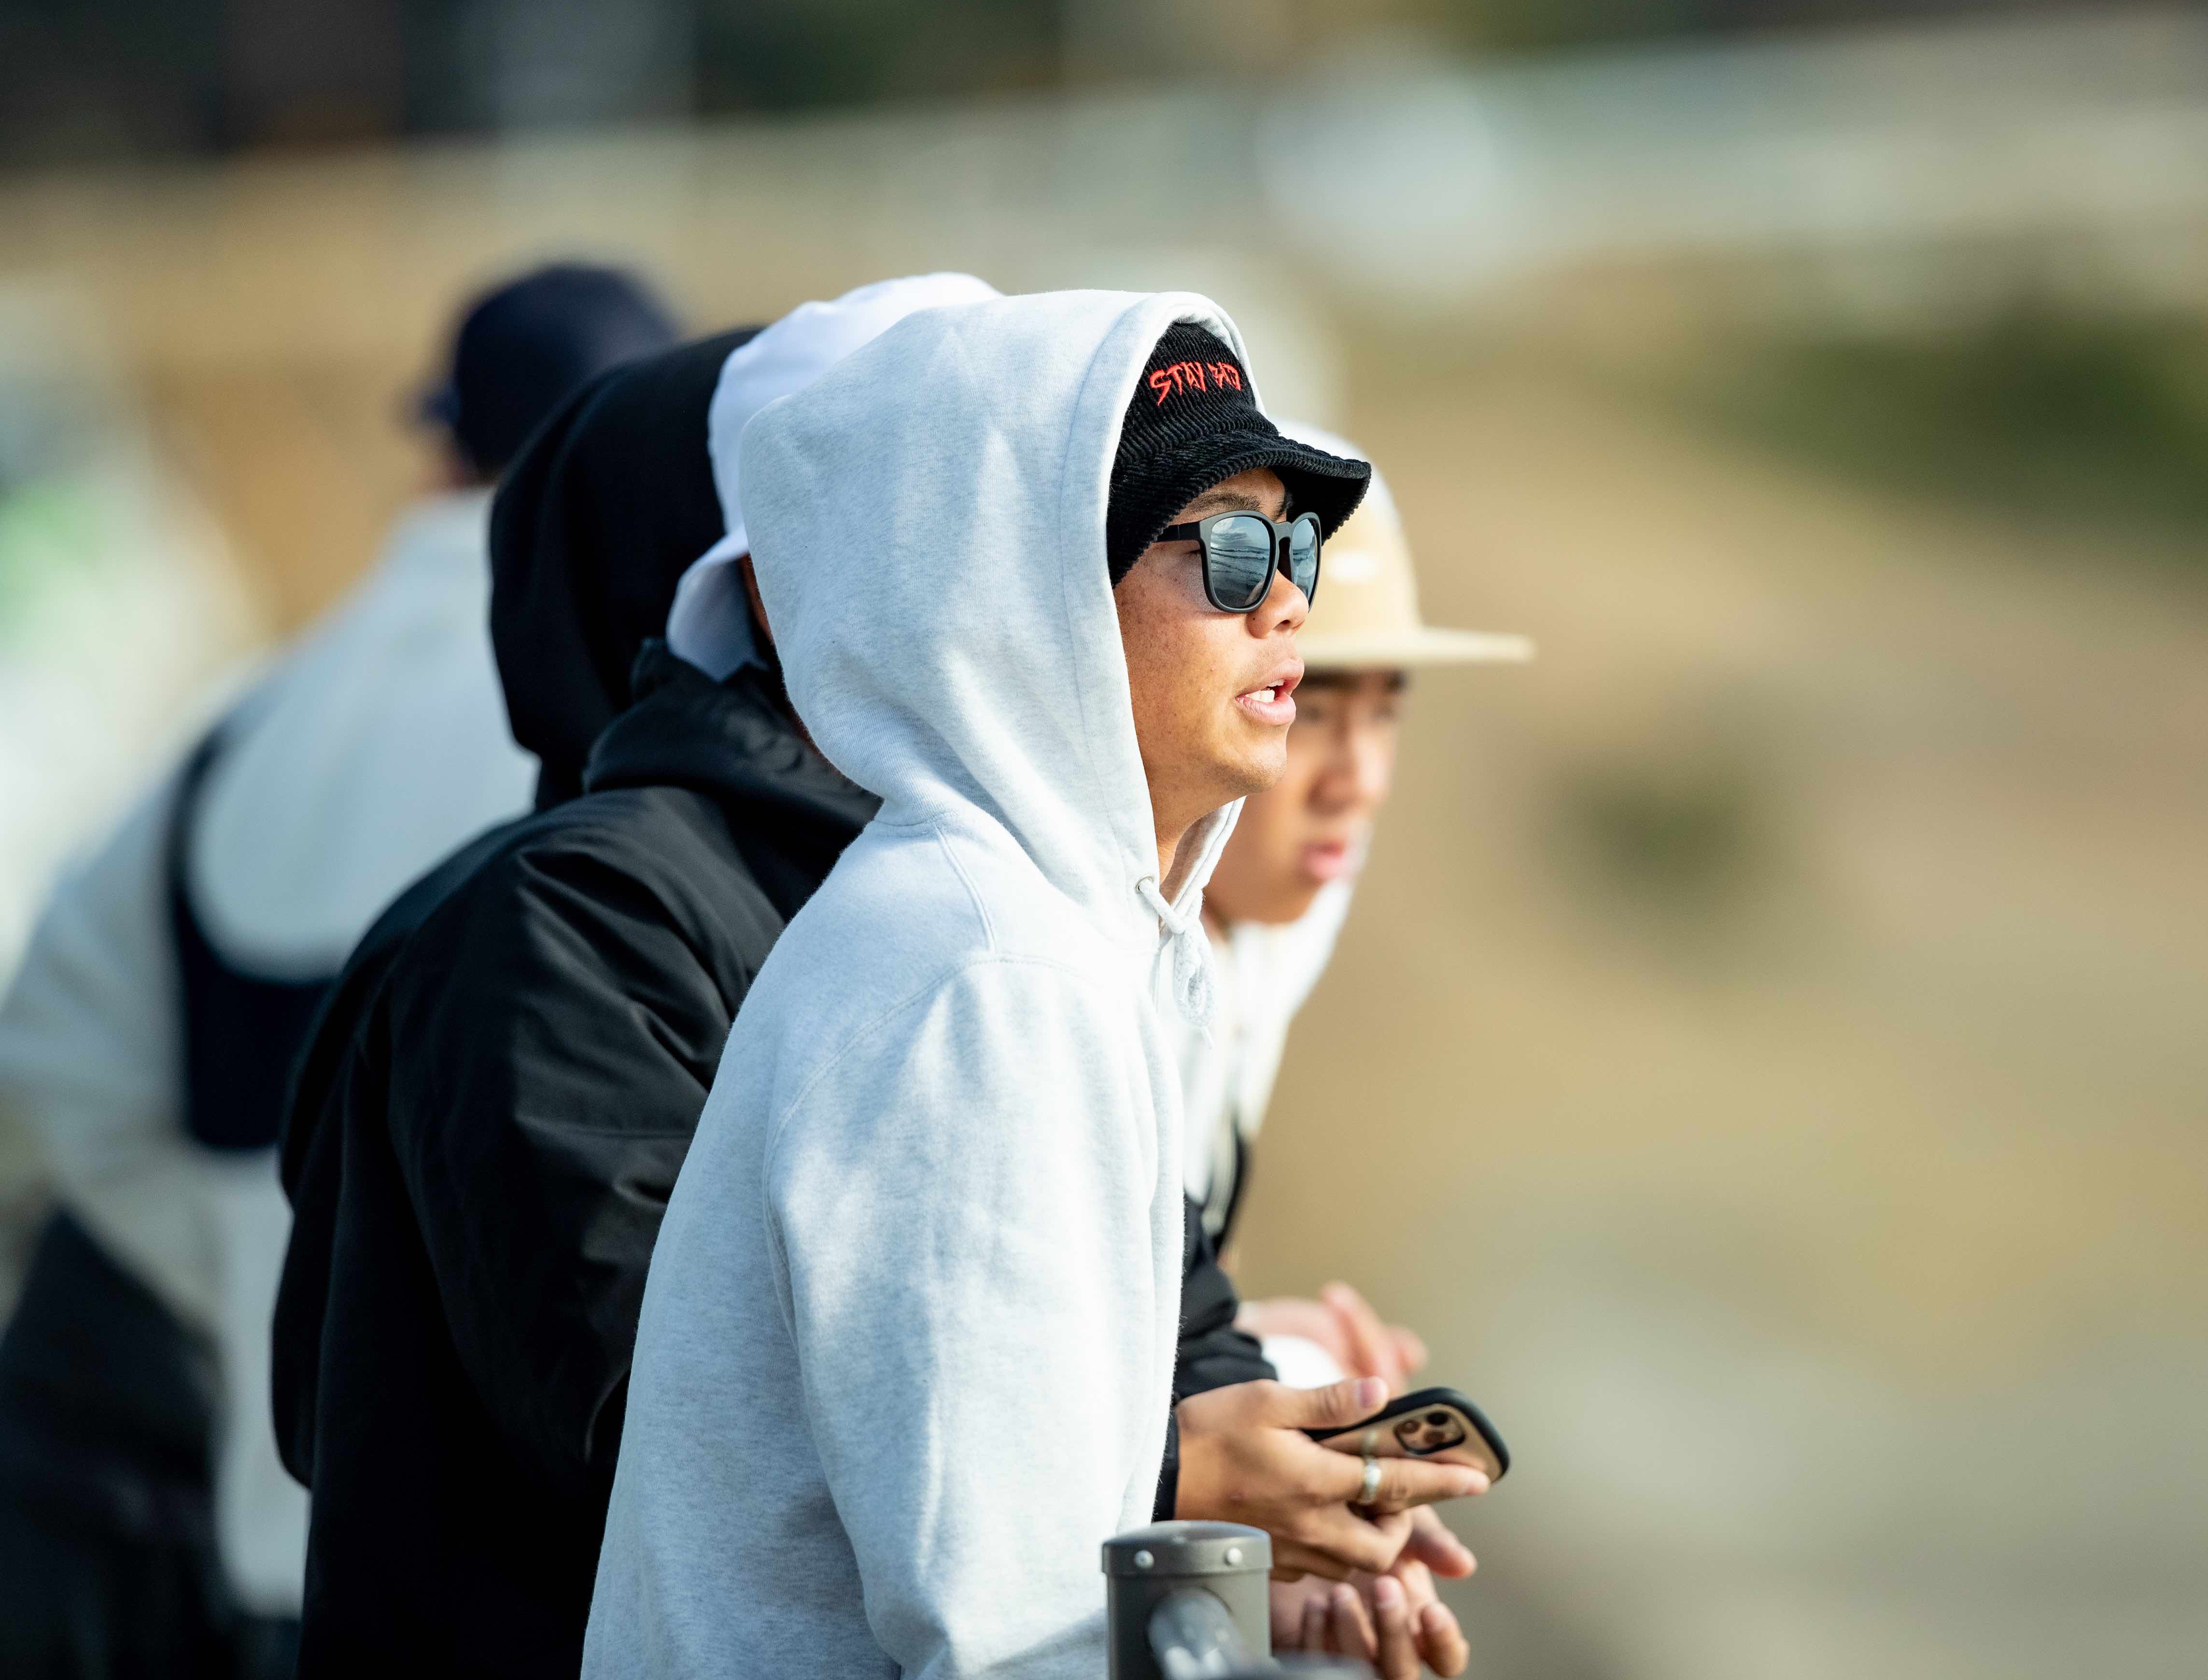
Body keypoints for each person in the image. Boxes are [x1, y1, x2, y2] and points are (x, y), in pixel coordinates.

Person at [277, 278, 1453, 1680]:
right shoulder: (958, 958)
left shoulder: (1056, 927)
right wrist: (1175, 1479)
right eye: (1231, 551)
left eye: (1296, 546)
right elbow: (930, 1578)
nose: (1289, 606)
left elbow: (1160, 1331)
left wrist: (1266, 1517)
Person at [0, 263, 677, 1680]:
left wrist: (243, 1263)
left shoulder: (244, 722)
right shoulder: (629, 707)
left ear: (440, 451)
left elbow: (56, 1039)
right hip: (555, 1578)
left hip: (285, 1553)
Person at [1172, 437, 1532, 1665]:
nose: (1357, 781)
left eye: (1387, 713)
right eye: (1312, 706)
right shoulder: (1069, 974)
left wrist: (1250, 1335)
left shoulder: (1272, 938)